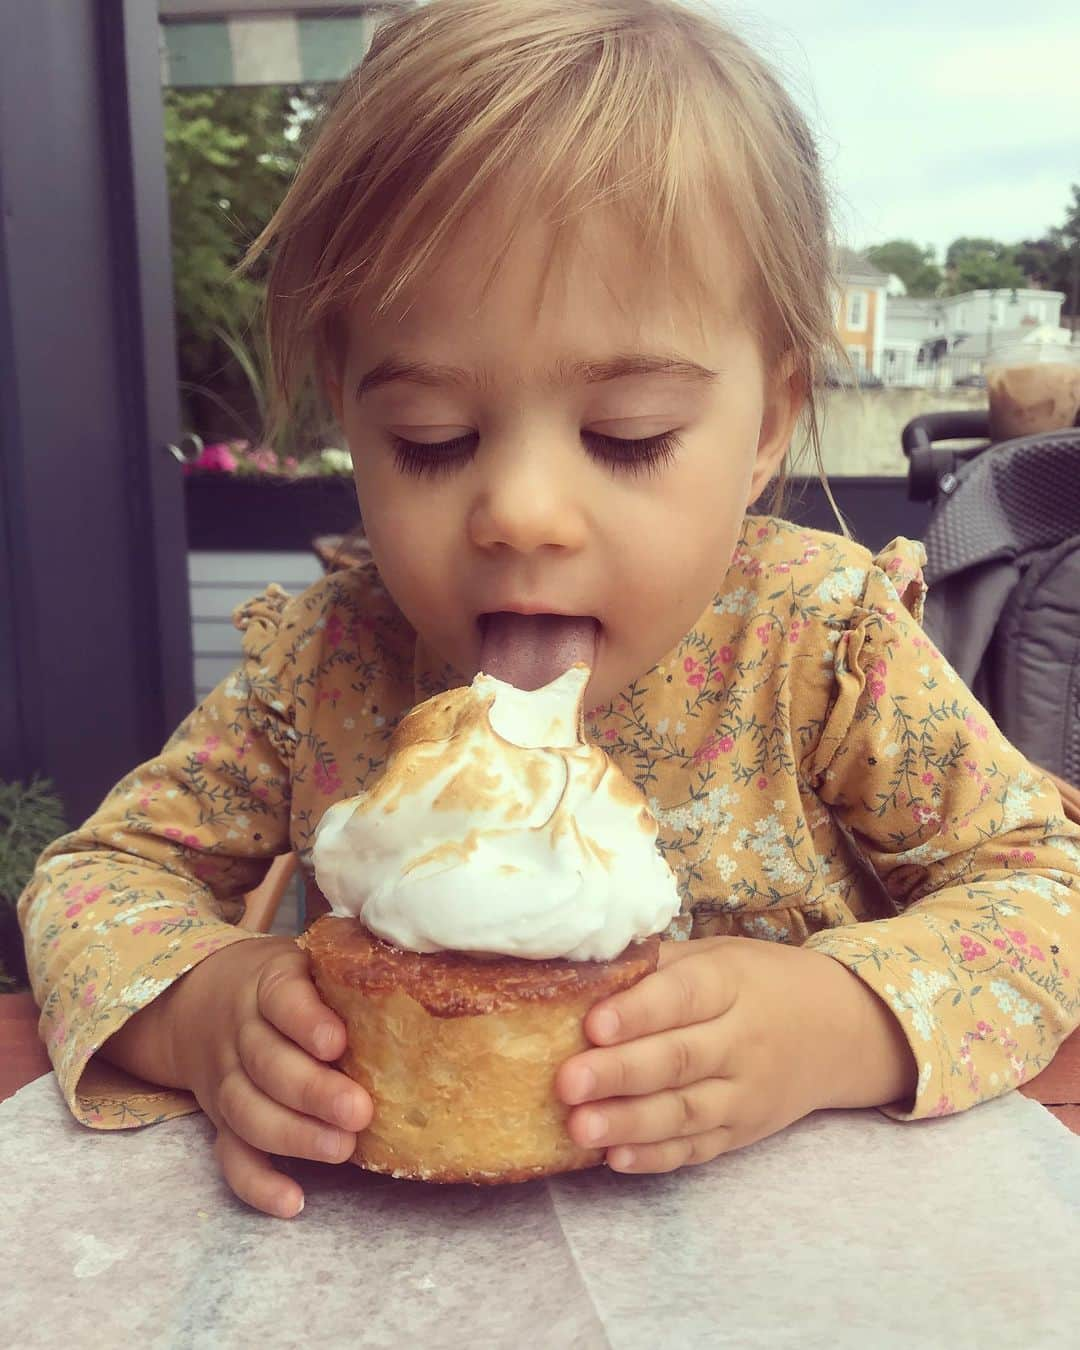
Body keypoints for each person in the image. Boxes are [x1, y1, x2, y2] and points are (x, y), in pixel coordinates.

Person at [19, 0, 1080, 1220]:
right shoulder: (324, 669)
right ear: (348, 422)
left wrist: (838, 1025)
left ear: (769, 423)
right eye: (433, 440)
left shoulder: (819, 647)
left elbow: (1045, 892)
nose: (520, 513)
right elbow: (98, 878)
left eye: (627, 438)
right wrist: (198, 1011)